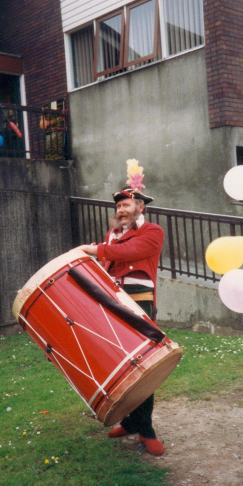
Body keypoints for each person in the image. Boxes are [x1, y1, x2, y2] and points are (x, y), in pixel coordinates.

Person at [79, 185, 165, 455]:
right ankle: (130, 422)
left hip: (139, 300)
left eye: (126, 205)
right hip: (113, 300)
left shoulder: (153, 231)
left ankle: (146, 429)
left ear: (141, 206)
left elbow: (129, 253)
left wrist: (94, 249)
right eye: (118, 207)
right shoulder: (112, 236)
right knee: (118, 362)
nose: (121, 210)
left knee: (142, 364)